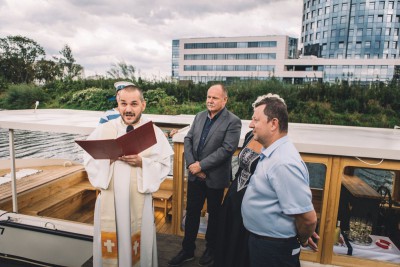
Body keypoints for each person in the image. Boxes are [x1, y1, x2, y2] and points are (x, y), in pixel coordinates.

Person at [84, 82, 174, 267]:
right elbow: (88, 158)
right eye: (123, 104)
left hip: (138, 200)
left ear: (143, 105)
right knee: (111, 239)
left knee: (136, 242)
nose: (128, 109)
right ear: (117, 105)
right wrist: (105, 160)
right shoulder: (104, 129)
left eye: (133, 104)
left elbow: (165, 164)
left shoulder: (153, 132)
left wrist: (143, 162)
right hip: (111, 197)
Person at [168, 84, 242, 266]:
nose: (210, 101)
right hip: (195, 176)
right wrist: (193, 165)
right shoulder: (200, 116)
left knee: (214, 215)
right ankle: (187, 250)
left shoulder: (233, 121)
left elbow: (227, 149)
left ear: (225, 100)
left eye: (215, 98)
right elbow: (188, 139)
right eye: (208, 97)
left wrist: (201, 166)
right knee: (192, 213)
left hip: (215, 178)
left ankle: (211, 249)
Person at [241, 94, 318, 267]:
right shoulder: (273, 153)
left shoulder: (283, 163)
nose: (251, 124)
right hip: (263, 242)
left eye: (255, 119)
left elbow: (308, 219)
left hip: (274, 249)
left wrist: (302, 238)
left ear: (273, 124)